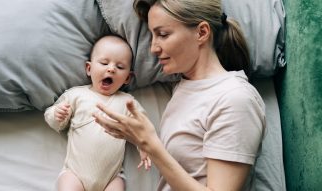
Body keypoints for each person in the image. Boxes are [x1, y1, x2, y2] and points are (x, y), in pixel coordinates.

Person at [92, 0, 266, 191]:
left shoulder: (236, 98)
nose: (153, 48)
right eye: (152, 36)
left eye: (163, 35)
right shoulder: (184, 88)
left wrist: (151, 144)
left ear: (201, 33)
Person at [44, 35, 151, 191]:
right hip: (75, 174)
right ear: (89, 68)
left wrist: (144, 146)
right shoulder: (76, 95)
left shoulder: (127, 102)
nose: (111, 68)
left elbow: (142, 126)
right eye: (104, 63)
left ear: (127, 78)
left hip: (111, 178)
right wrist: (56, 114)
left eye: (120, 67)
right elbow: (53, 122)